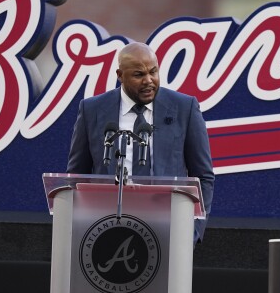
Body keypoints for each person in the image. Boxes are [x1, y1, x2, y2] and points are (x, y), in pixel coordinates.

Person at [67, 42, 215, 245]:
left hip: (168, 231)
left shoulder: (184, 107)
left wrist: (193, 232)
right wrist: (80, 228)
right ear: (120, 75)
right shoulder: (92, 110)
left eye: (153, 72)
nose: (149, 81)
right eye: (138, 75)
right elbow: (77, 176)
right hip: (106, 231)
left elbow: (203, 176)